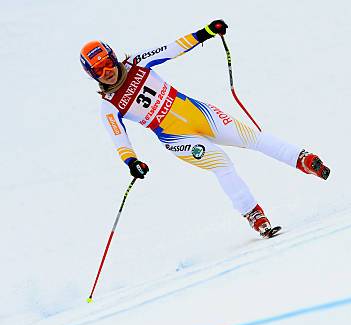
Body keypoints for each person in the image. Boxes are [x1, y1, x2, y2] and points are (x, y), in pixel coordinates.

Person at [80, 20, 330, 238]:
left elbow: (173, 47)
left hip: (200, 114)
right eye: (98, 72)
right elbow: (119, 139)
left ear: (114, 58)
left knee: (253, 138)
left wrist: (206, 32)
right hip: (177, 138)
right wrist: (131, 161)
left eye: (108, 65)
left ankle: (304, 160)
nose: (107, 73)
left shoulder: (138, 61)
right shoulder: (108, 107)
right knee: (222, 163)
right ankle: (254, 215)